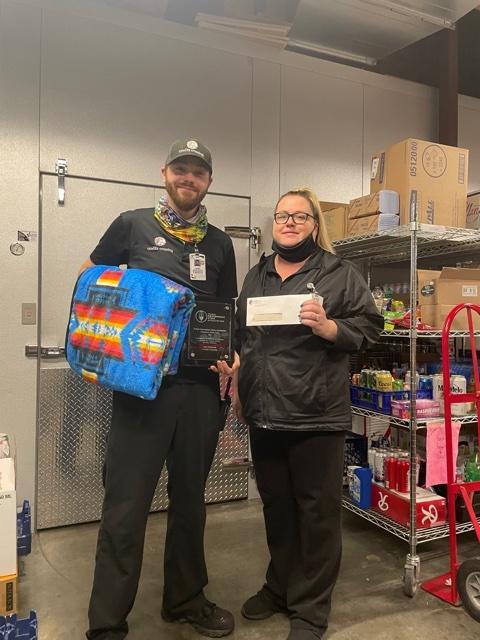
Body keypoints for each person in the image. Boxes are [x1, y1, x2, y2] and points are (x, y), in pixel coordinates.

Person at [83, 139, 238, 640]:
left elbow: (225, 310)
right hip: (141, 391)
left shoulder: (218, 243)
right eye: (180, 169)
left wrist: (231, 353)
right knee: (126, 506)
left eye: (198, 172)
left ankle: (185, 598)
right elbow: (91, 279)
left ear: (209, 181)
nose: (188, 178)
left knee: (191, 501)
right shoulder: (131, 224)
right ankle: (107, 622)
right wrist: (128, 309)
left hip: (199, 392)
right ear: (164, 172)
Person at [234, 187, 383, 640]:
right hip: (264, 412)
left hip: (316, 413)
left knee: (317, 514)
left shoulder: (339, 273)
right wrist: (238, 374)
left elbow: (371, 327)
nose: (290, 223)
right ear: (273, 223)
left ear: (315, 224)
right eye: (282, 215)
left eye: (300, 216)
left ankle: (311, 609)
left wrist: (330, 326)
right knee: (277, 508)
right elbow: (245, 336)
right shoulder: (257, 275)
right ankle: (279, 587)